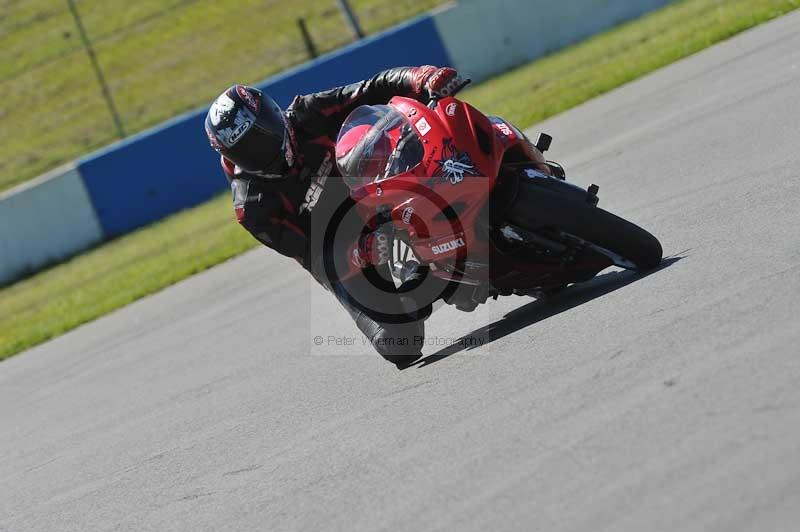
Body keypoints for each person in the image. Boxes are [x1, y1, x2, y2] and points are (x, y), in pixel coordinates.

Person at [204, 66, 469, 368]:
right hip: (343, 249)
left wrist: (420, 77)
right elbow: (311, 253)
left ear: (273, 113)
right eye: (250, 148)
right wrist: (361, 251)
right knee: (399, 346)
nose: (266, 145)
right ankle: (419, 270)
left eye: (264, 130)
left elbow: (371, 88)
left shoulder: (307, 113)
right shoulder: (253, 207)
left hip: (380, 191)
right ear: (232, 158)